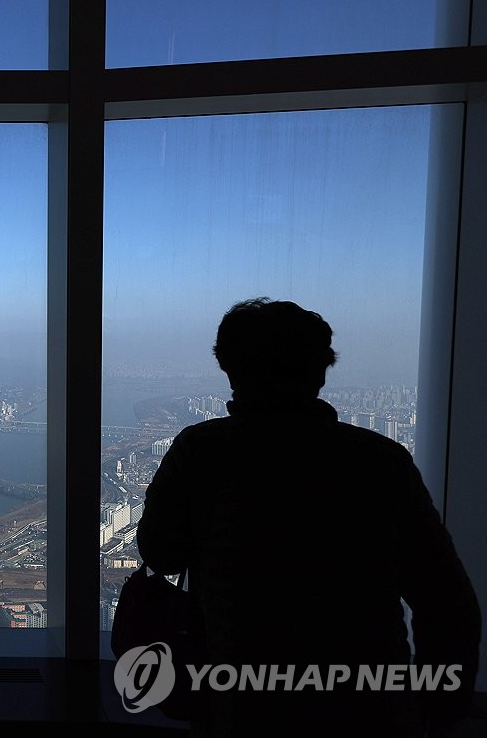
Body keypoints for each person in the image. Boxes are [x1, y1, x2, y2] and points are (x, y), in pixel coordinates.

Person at [136, 298, 481, 737]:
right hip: (367, 701)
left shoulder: (201, 451)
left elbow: (160, 553)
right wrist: (440, 708)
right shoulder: (379, 460)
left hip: (240, 698)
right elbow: (446, 598)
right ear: (320, 371)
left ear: (228, 370)